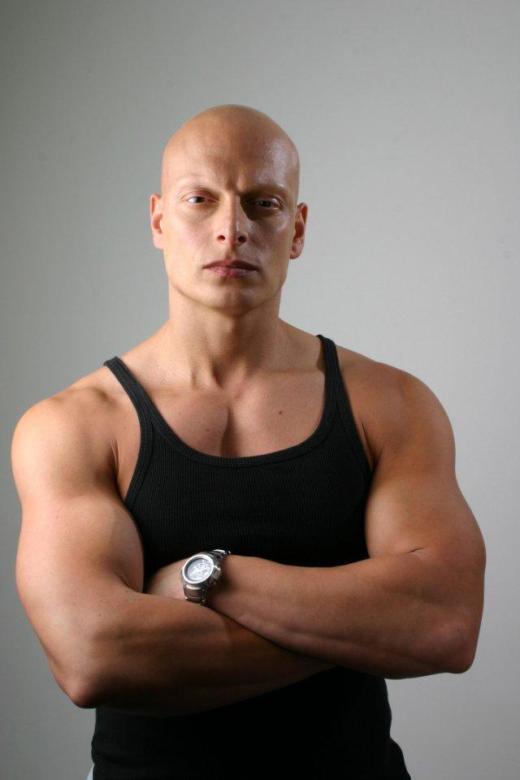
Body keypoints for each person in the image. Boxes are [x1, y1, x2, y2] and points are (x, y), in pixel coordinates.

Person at [11, 103, 486, 779]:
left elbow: (445, 623)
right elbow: (93, 658)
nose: (231, 228)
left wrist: (213, 577)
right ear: (158, 221)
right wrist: (367, 628)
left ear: (297, 229)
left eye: (263, 203)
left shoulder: (391, 405)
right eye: (200, 200)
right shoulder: (75, 425)